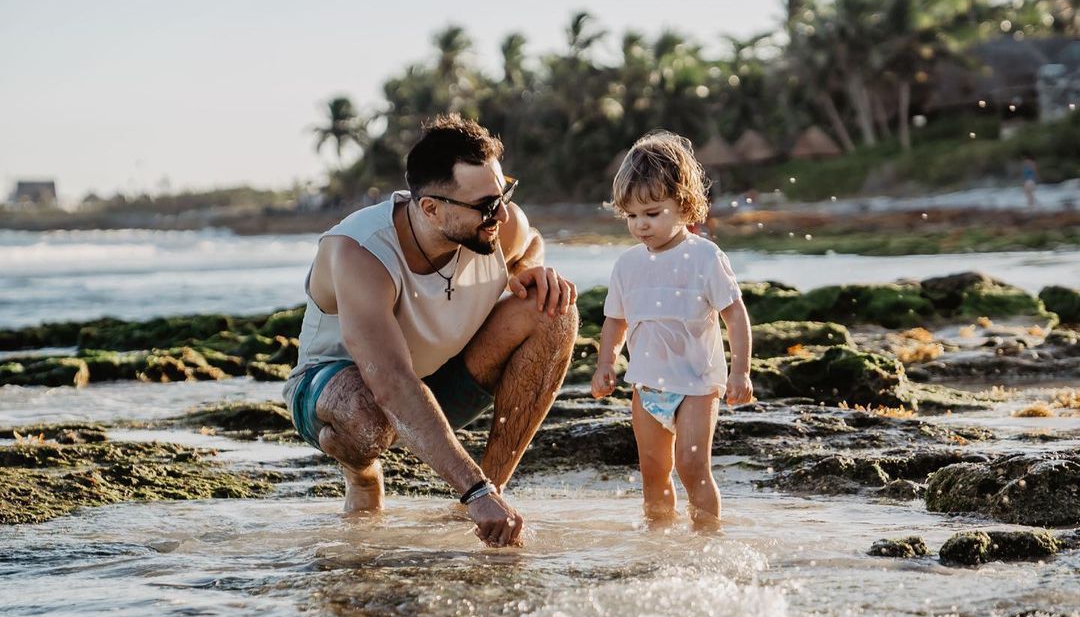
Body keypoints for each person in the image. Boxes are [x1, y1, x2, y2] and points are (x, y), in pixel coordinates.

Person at [284, 114, 578, 547]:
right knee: (365, 415)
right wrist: (471, 486)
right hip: (339, 390)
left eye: (503, 194)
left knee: (553, 311)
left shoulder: (497, 224)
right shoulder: (359, 253)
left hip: (438, 380)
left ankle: (487, 498)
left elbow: (530, 242)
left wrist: (525, 270)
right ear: (430, 208)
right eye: (484, 206)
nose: (499, 213)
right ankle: (364, 478)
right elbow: (391, 382)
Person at [590, 132, 753, 528]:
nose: (640, 225)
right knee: (653, 472)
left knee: (692, 467)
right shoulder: (627, 265)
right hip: (646, 386)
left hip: (697, 385)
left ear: (683, 205)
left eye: (652, 213)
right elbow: (617, 319)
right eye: (631, 216)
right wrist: (605, 362)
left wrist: (740, 371)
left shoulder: (704, 257)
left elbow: (735, 316)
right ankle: (659, 542)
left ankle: (706, 540)